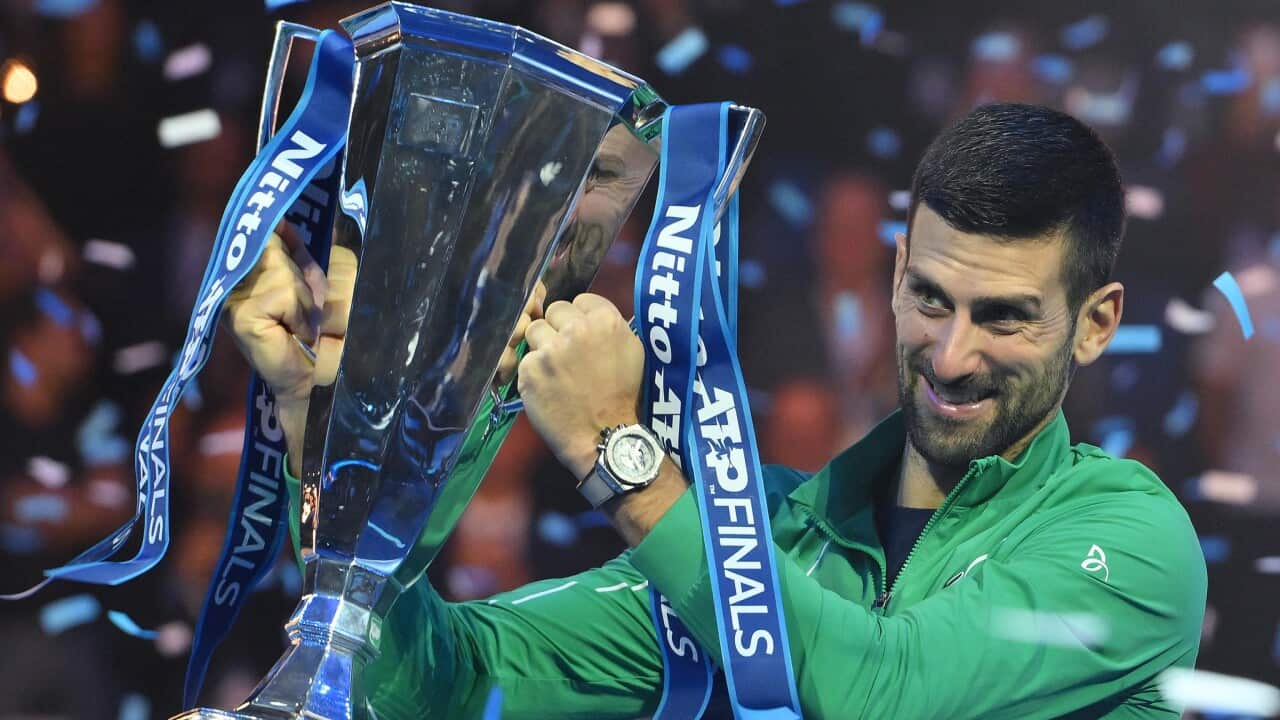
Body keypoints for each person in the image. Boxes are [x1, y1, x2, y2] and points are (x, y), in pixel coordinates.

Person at [223, 103, 1206, 718]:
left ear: (1094, 323)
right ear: (897, 273)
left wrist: (619, 451)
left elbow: (882, 694)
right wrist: (341, 444)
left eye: (1003, 319)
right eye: (933, 301)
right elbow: (438, 686)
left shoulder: (1126, 540)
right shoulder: (767, 527)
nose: (950, 356)